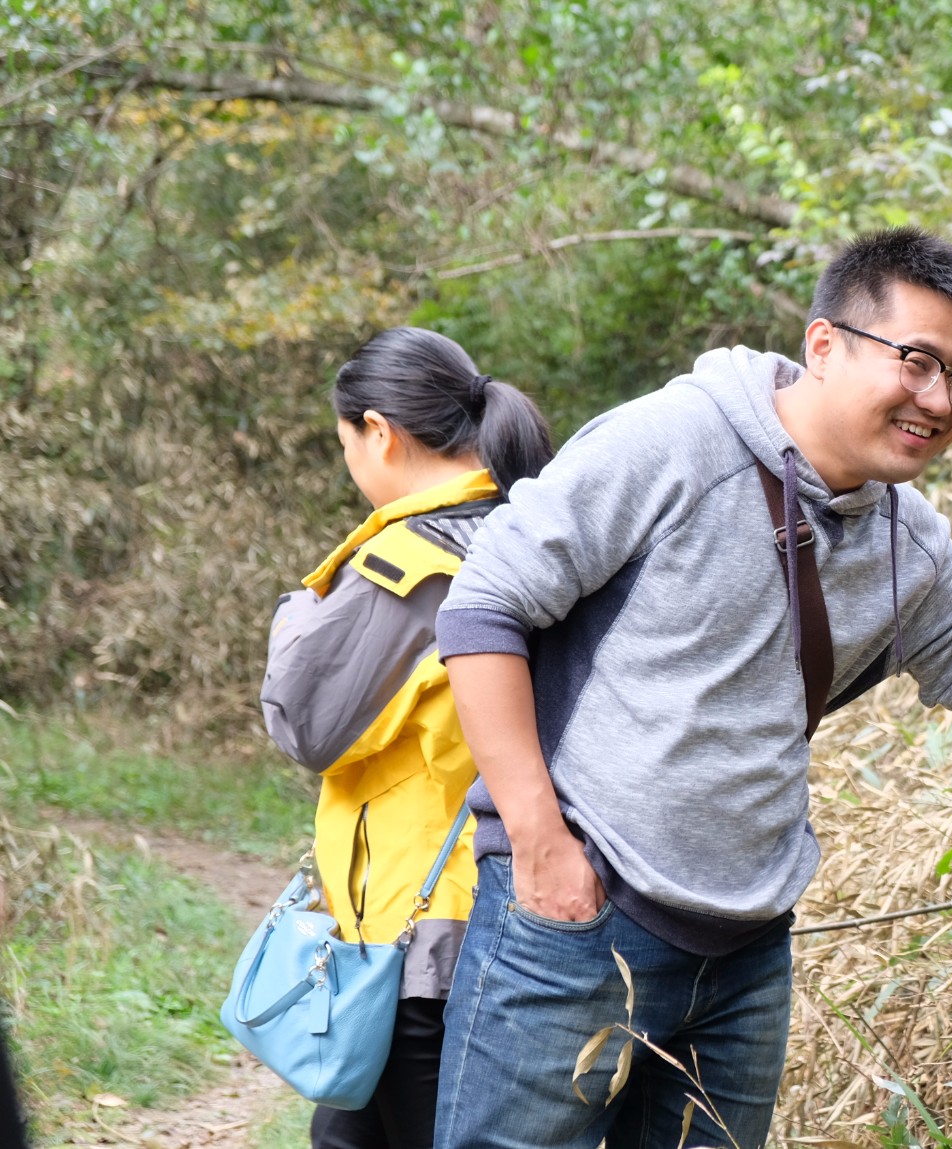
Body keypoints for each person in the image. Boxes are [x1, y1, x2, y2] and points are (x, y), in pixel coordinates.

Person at [432, 228, 952, 1149]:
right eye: (915, 361)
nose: (937, 398)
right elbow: (482, 610)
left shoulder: (909, 539)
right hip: (576, 922)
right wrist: (540, 844)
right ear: (824, 345)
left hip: (745, 956)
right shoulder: (674, 441)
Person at [260, 328, 553, 1149]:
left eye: (348, 442)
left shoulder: (411, 559)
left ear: (379, 431)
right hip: (499, 908)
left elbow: (305, 720)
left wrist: (297, 612)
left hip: (417, 931)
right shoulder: (528, 526)